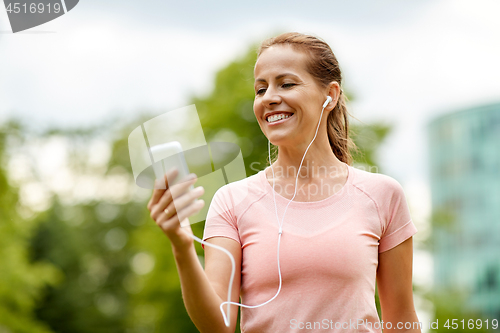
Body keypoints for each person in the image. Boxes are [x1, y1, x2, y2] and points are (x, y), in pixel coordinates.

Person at [147, 32, 421, 333]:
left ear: (330, 94)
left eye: (286, 84)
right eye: (260, 89)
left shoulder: (382, 195)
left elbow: (401, 319)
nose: (269, 98)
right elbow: (218, 325)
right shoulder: (232, 202)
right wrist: (182, 247)